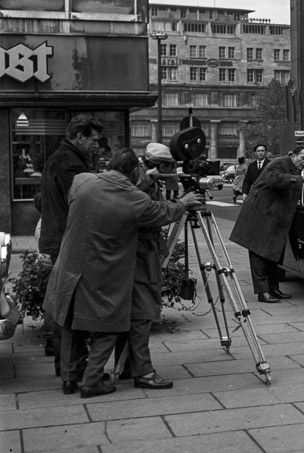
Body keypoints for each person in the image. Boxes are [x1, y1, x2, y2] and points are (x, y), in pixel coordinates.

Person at [43, 149, 198, 398]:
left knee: (70, 322)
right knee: (109, 325)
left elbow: (108, 196)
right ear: (133, 170)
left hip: (70, 264)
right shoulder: (134, 198)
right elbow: (160, 213)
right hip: (102, 269)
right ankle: (98, 379)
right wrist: (183, 203)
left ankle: (70, 378)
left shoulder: (82, 181)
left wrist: (145, 181)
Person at [115, 143, 185, 390]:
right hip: (141, 256)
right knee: (143, 313)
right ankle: (143, 371)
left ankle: (125, 366)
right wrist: (183, 204)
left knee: (134, 313)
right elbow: (152, 213)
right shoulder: (138, 184)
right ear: (162, 165)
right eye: (169, 167)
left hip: (142, 252)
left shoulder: (143, 181)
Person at [38, 115, 103, 376]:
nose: (97, 146)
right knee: (70, 308)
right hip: (67, 242)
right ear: (79, 137)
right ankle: (72, 370)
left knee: (65, 306)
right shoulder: (69, 165)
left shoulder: (61, 158)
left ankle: (67, 368)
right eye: (94, 140)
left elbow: (41, 199)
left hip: (58, 240)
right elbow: (84, 203)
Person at [230, 147, 304, 303]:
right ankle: (263, 292)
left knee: (273, 255)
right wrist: (299, 180)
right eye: (303, 158)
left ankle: (273, 288)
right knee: (259, 253)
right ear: (293, 156)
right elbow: (273, 179)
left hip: (273, 217)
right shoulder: (279, 164)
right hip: (260, 215)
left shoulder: (293, 168)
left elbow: (287, 195)